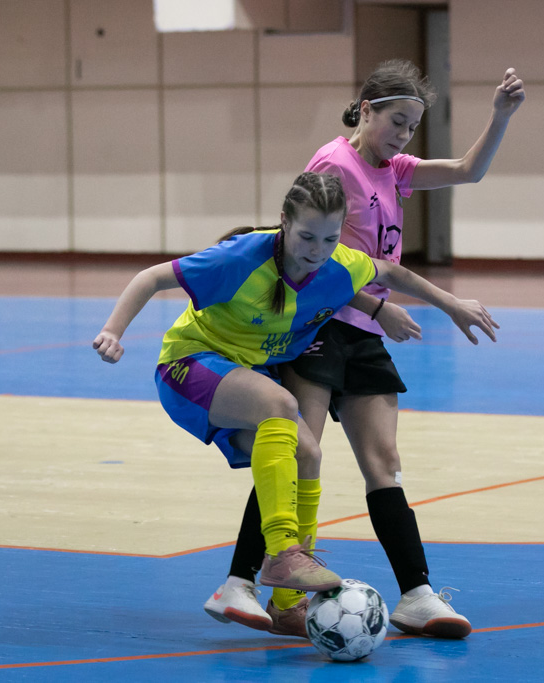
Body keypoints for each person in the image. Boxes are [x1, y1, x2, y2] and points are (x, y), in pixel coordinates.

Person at [92, 171, 499, 632]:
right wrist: (112, 331)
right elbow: (150, 278)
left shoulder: (338, 264)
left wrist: (440, 304)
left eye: (329, 239)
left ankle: (281, 603)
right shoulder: (241, 257)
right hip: (189, 366)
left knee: (308, 453)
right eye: (306, 236)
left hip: (243, 379)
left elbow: (389, 272)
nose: (317, 250)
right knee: (282, 405)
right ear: (284, 221)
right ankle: (283, 551)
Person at [207, 60, 524, 639]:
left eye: (413, 126)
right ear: (367, 109)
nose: (404, 135)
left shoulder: (395, 170)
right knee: (295, 452)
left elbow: (467, 171)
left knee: (384, 462)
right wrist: (385, 307)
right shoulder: (334, 165)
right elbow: (308, 261)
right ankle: (241, 582)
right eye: (397, 121)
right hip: (320, 326)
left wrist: (500, 116)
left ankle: (417, 596)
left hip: (366, 333)